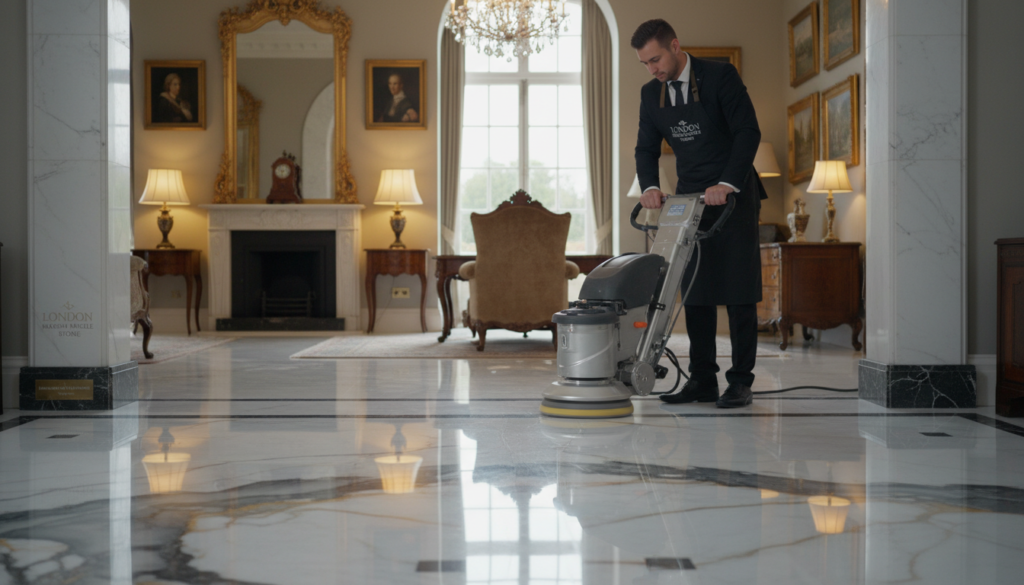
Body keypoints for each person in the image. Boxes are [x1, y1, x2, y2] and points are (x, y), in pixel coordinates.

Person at [633, 19, 766, 408]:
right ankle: (702, 380)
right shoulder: (650, 94)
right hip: (689, 201)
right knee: (696, 292)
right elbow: (646, 149)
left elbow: (748, 132)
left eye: (656, 59)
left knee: (740, 291)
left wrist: (726, 183)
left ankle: (740, 382)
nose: (653, 69)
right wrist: (651, 188)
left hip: (734, 195)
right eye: (645, 63)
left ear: (675, 46)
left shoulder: (720, 76)